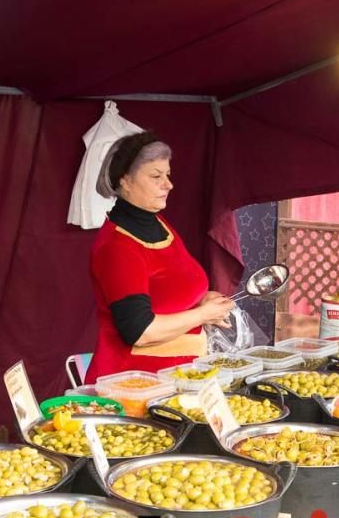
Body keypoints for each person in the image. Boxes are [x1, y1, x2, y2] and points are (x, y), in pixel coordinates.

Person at [86, 132, 234, 382]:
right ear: (125, 181)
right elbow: (140, 331)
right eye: (156, 176)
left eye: (167, 175)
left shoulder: (158, 224)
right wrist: (203, 314)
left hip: (176, 377)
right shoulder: (117, 247)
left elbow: (167, 288)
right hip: (133, 383)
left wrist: (199, 299)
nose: (168, 184)